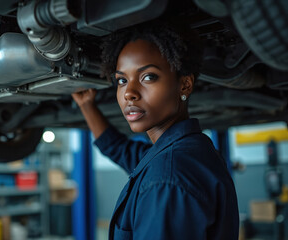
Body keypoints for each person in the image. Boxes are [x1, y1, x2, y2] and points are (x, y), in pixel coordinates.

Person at [72, 22, 239, 240]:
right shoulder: (185, 153)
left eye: (148, 77)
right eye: (122, 80)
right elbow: (119, 149)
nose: (128, 93)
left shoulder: (167, 179)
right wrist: (87, 105)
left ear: (185, 85)